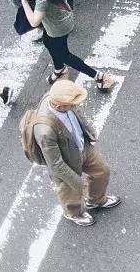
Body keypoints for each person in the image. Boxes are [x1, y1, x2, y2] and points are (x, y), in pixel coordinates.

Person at [29, 80, 121, 227]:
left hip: (82, 146)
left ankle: (95, 200)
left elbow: (78, 113)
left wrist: (89, 130)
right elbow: (56, 164)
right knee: (70, 193)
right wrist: (77, 182)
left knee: (102, 171)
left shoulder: (59, 99)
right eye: (72, 105)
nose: (76, 106)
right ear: (59, 106)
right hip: (66, 161)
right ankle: (74, 214)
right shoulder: (45, 131)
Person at [20, 0, 116, 88]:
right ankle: (59, 69)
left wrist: (24, 2)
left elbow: (34, 22)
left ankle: (99, 76)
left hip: (57, 28)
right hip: (62, 18)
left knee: (64, 55)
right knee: (47, 41)